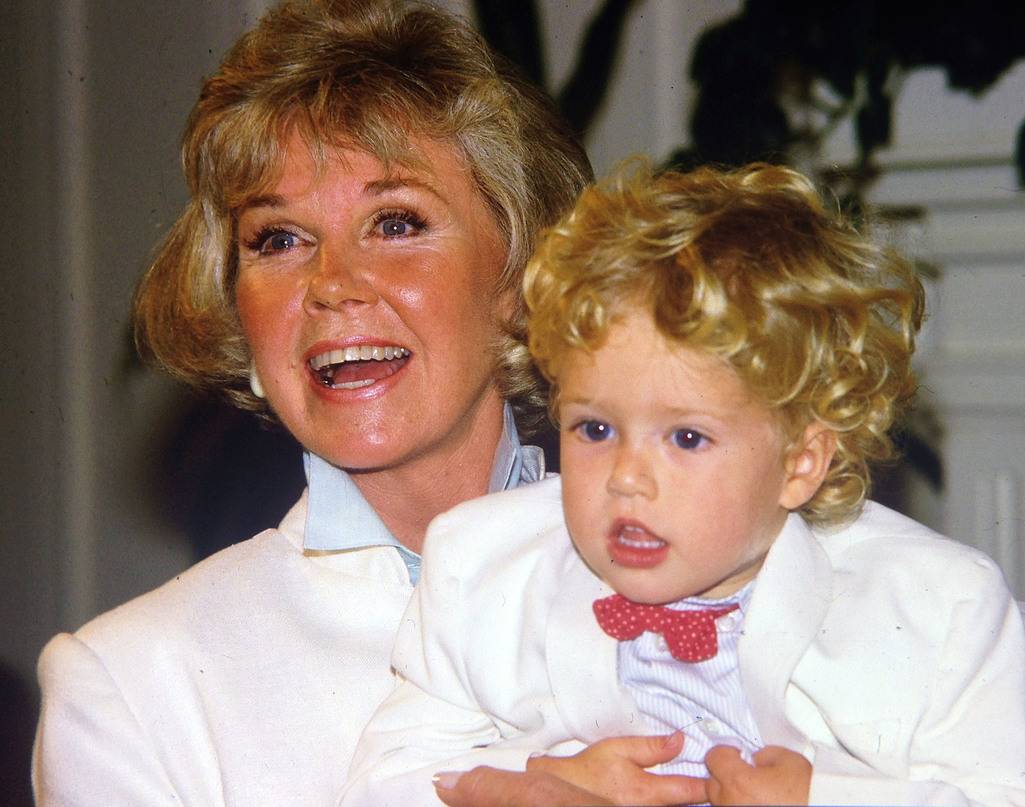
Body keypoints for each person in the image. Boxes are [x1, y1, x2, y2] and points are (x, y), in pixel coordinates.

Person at [29, 1, 635, 804]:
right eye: (279, 239)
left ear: (520, 276)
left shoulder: (714, 572)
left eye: (396, 222)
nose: (332, 284)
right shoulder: (132, 689)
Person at [340, 163, 1025, 806]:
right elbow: (383, 782)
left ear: (800, 462)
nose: (627, 478)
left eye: (687, 438)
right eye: (594, 428)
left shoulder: (933, 605)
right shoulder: (485, 566)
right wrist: (534, 783)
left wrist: (821, 799)